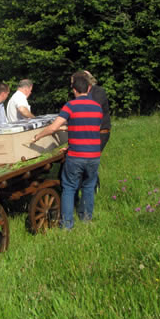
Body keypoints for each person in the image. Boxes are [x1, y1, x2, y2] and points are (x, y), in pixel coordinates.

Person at [32, 73, 103, 229]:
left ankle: (67, 225)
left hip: (76, 155)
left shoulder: (70, 106)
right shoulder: (98, 108)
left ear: (74, 90)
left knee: (69, 188)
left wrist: (38, 136)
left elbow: (54, 127)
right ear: (89, 88)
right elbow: (90, 130)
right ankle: (86, 219)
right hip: (94, 155)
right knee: (89, 187)